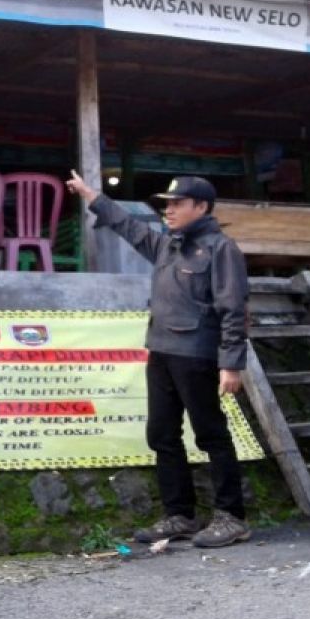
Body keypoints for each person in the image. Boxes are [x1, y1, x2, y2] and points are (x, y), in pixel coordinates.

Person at [65, 171, 252, 548]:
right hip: (162, 353)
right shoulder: (167, 245)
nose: (168, 211)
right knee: (162, 434)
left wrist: (231, 363)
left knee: (211, 434)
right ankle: (179, 515)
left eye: (177, 204)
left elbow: (234, 309)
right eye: (166, 205)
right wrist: (91, 195)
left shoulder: (221, 248)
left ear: (201, 207)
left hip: (198, 355)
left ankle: (231, 517)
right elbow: (127, 226)